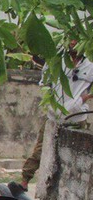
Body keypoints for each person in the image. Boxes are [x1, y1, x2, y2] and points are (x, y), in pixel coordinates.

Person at [21, 43, 93, 191]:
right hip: (54, 115)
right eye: (71, 39)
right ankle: (24, 180)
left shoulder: (90, 65)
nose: (73, 43)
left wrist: (84, 99)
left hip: (77, 117)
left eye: (77, 39)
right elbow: (44, 84)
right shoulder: (55, 61)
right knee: (42, 149)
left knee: (75, 154)